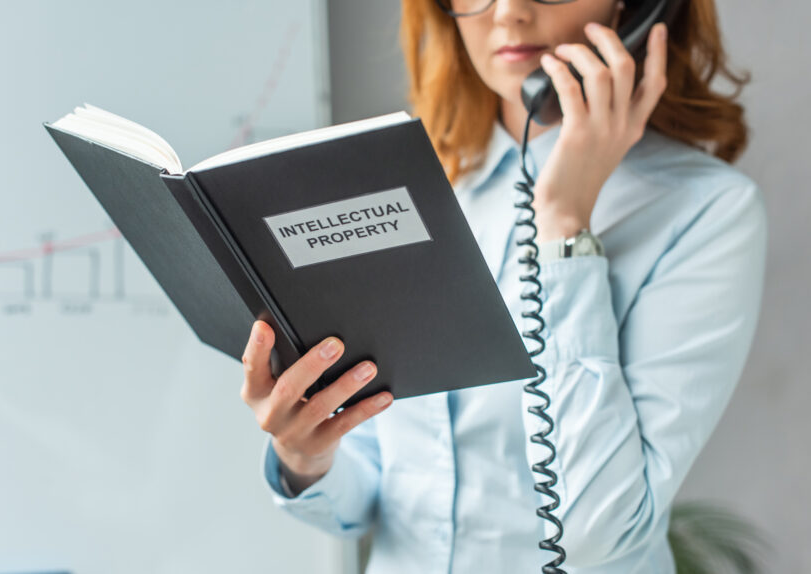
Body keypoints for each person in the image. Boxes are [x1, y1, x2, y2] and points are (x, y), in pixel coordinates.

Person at [239, 0, 767, 572]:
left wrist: (564, 225)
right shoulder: (411, 189)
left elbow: (595, 533)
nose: (509, 12)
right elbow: (372, 499)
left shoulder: (707, 212)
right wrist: (303, 454)